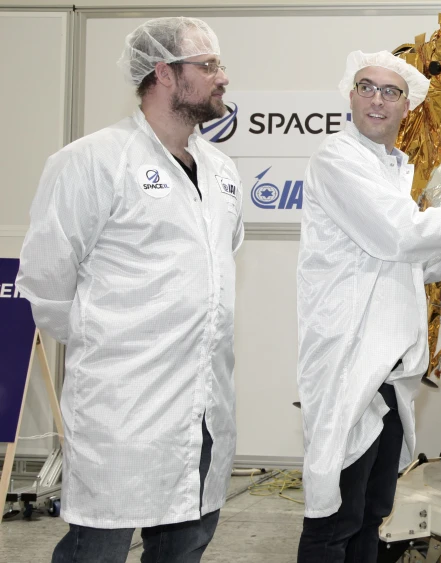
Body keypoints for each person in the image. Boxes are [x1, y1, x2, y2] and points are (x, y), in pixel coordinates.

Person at [16, 17, 242, 563]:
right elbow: (45, 283)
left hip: (205, 402)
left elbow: (216, 267)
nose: (223, 77)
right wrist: (112, 341)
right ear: (164, 73)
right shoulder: (91, 162)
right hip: (124, 407)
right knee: (100, 545)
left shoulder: (222, 171)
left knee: (186, 543)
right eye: (208, 65)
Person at [295, 50, 441, 563]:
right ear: (350, 95)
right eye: (367, 87)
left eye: (390, 91)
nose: (377, 100)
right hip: (351, 360)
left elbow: (412, 266)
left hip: (389, 366)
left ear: (408, 107)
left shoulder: (390, 171)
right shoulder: (339, 160)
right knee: (336, 515)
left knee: (372, 510)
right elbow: (402, 236)